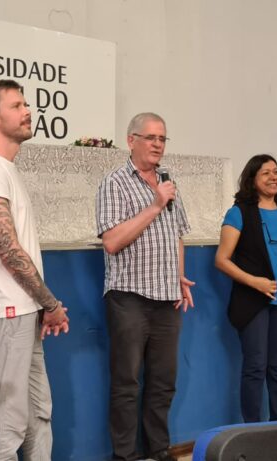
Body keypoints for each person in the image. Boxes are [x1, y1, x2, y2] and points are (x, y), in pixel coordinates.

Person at [0, 79, 70, 461]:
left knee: (38, 413)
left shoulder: (4, 169)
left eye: (26, 104)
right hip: (6, 310)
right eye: (16, 106)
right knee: (7, 420)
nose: (27, 111)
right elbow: (9, 250)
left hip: (24, 308)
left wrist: (41, 305)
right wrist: (50, 303)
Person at [95, 112, 194, 461]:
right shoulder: (115, 182)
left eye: (162, 138)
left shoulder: (168, 181)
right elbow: (112, 241)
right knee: (127, 384)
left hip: (167, 298)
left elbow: (177, 234)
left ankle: (158, 449)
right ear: (131, 141)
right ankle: (125, 455)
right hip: (129, 298)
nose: (157, 144)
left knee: (163, 382)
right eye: (150, 137)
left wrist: (179, 276)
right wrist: (155, 205)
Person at [214, 154, 277, 423]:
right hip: (252, 302)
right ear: (252, 179)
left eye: (276, 172)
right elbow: (221, 260)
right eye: (266, 173)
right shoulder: (239, 213)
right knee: (255, 367)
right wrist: (254, 281)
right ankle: (253, 431)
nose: (273, 177)